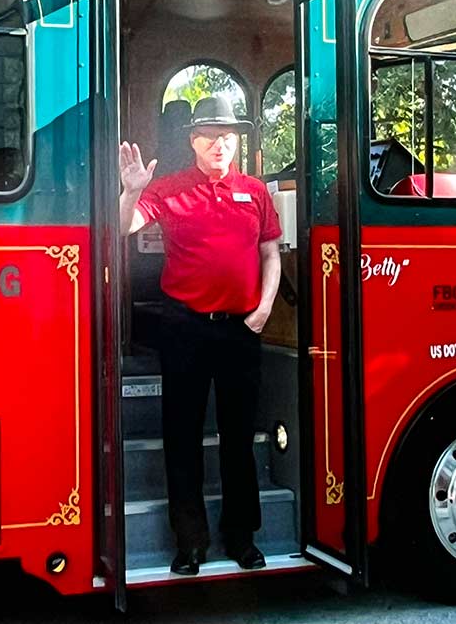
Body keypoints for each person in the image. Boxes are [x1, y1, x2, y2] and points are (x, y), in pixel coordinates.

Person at [119, 95, 282, 575]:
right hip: (185, 328)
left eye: (228, 134)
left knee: (238, 436)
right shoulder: (167, 188)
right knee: (182, 436)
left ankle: (242, 537)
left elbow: (271, 254)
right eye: (210, 133)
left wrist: (265, 308)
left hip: (240, 329)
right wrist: (130, 190)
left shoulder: (255, 190)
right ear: (192, 140)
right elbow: (123, 225)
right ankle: (189, 542)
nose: (220, 142)